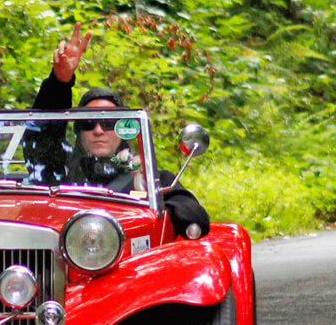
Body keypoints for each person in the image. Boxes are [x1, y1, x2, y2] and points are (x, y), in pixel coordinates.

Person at [32, 23, 210, 238]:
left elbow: (196, 218)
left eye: (109, 124)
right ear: (78, 131)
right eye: (88, 124)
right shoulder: (60, 173)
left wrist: (150, 202)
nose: (98, 130)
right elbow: (41, 139)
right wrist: (59, 82)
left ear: (123, 130)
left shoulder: (152, 181)